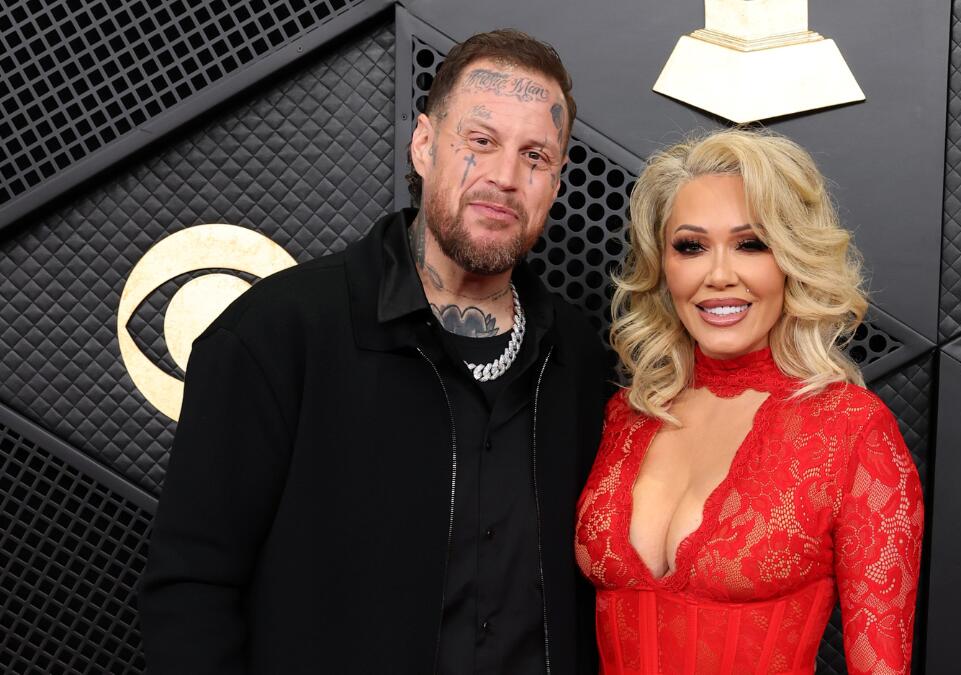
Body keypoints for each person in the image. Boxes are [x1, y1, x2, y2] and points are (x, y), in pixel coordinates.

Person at [140, 29, 610, 674]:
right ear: (423, 144)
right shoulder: (277, 333)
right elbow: (191, 590)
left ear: (556, 181)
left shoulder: (577, 356)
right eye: (480, 141)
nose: (505, 177)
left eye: (535, 156)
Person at [574, 128, 924, 675]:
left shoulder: (851, 430)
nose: (719, 275)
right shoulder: (628, 416)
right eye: (691, 246)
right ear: (663, 265)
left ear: (791, 259)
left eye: (751, 244)